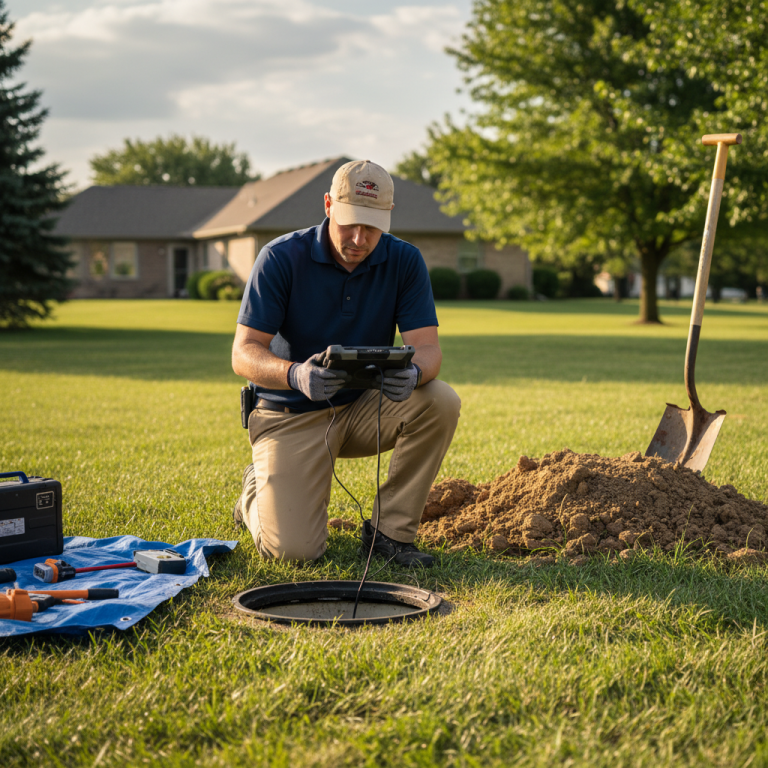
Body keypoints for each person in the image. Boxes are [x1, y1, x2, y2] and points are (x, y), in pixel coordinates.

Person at [231, 159, 461, 567]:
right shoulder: (280, 257)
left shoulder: (404, 260)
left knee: (440, 400)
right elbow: (244, 352)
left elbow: (429, 350)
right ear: (328, 205)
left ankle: (390, 535)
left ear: (388, 216)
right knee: (294, 554)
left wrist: (414, 373)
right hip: (290, 414)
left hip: (362, 409)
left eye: (372, 226)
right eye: (350, 223)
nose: (359, 238)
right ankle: (254, 490)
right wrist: (295, 374)